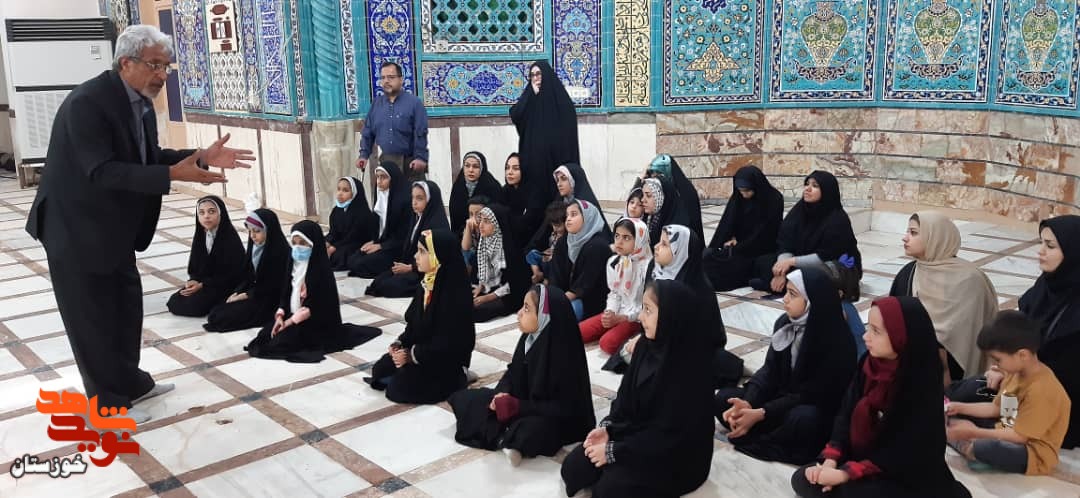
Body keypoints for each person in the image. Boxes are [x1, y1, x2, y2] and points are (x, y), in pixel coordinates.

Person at [23, 25, 254, 422]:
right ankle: (106, 404)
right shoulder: (88, 104)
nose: (162, 75)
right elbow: (103, 171)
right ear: (126, 62)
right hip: (75, 229)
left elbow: (149, 157)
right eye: (154, 65)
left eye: (166, 67)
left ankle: (131, 383)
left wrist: (200, 157)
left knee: (125, 309)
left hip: (113, 229)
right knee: (92, 319)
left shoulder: (139, 102)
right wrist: (173, 175)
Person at [791, 297, 971, 498]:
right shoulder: (869, 364)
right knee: (803, 478)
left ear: (901, 336)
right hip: (863, 459)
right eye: (868, 328)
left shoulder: (919, 380)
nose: (865, 337)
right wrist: (830, 461)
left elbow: (906, 450)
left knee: (855, 492)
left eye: (876, 331)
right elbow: (845, 414)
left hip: (904, 473)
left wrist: (844, 474)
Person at [561, 280, 714, 498]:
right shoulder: (645, 346)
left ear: (672, 315)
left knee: (609, 490)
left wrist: (615, 451)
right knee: (574, 468)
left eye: (648, 310)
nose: (641, 317)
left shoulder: (690, 368)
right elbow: (624, 399)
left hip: (673, 456)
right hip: (635, 437)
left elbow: (670, 436)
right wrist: (608, 428)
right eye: (643, 308)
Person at [716, 269, 857, 464]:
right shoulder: (785, 322)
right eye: (786, 292)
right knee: (724, 399)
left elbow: (812, 395)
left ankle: (762, 430)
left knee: (803, 420)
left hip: (812, 408)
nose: (785, 299)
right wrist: (748, 403)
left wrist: (762, 413)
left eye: (793, 294)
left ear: (812, 301)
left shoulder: (835, 340)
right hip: (780, 401)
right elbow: (769, 370)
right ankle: (753, 424)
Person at [449, 284, 595, 466]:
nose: (519, 313)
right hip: (523, 403)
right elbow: (513, 372)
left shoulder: (562, 352)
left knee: (532, 430)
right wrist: (501, 394)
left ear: (545, 316)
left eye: (527, 309)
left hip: (551, 416)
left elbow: (563, 408)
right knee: (466, 399)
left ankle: (510, 437)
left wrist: (518, 407)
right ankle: (507, 437)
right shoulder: (529, 338)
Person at [946, 311, 1070, 476]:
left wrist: (974, 432)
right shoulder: (1015, 372)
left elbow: (1020, 437)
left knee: (986, 447)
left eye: (998, 360)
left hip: (1030, 451)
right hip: (1007, 428)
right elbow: (997, 409)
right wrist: (959, 407)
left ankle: (970, 446)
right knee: (958, 415)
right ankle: (965, 442)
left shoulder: (1042, 390)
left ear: (1022, 355)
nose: (994, 365)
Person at [367, 229, 477, 404]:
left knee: (400, 387)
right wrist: (400, 343)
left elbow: (449, 342)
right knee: (381, 370)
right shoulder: (427, 283)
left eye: (422, 252)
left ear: (437, 256)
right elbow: (414, 324)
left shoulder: (454, 293)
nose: (416, 256)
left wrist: (411, 355)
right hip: (423, 351)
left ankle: (461, 375)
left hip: (444, 362)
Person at [246, 221, 381, 362]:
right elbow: (286, 292)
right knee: (265, 335)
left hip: (315, 322)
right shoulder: (293, 263)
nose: (297, 247)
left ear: (313, 244)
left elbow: (314, 306)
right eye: (294, 243)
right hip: (294, 316)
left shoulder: (320, 270)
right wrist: (280, 315)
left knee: (281, 343)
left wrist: (290, 322)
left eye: (303, 243)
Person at [890, 212, 998, 384]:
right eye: (907, 231)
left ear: (936, 237)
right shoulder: (909, 273)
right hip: (912, 368)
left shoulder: (970, 279)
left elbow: (977, 331)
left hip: (958, 370)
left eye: (913, 232)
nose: (905, 238)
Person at [754, 170, 862, 294]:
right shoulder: (799, 211)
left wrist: (790, 262)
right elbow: (785, 242)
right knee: (763, 261)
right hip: (801, 261)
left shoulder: (837, 219)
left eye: (815, 186)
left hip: (835, 266)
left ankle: (785, 284)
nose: (808, 189)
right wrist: (781, 269)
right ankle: (789, 283)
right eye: (807, 184)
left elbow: (825, 256)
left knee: (813, 275)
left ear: (827, 191)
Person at [204, 203, 290, 332]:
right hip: (255, 294)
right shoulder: (254, 248)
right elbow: (247, 276)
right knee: (216, 311)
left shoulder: (280, 252)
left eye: (257, 231)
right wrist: (237, 292)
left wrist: (245, 296)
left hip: (270, 300)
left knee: (221, 317)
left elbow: (273, 286)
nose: (252, 236)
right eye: (250, 231)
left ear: (269, 230)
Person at [510, 60, 580, 209]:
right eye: (532, 75)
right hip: (534, 167)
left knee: (556, 206)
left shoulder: (562, 102)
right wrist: (530, 94)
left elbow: (569, 134)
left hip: (556, 163)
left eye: (539, 74)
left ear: (546, 75)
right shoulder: (530, 100)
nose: (536, 78)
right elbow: (516, 115)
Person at [703, 165, 784, 291]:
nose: (744, 194)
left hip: (763, 249)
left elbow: (764, 232)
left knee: (762, 265)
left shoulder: (773, 199)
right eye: (741, 191)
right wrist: (716, 247)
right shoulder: (738, 198)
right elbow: (727, 224)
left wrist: (739, 246)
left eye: (747, 191)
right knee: (710, 257)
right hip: (740, 247)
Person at [365, 181, 449, 297]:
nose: (414, 202)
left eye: (419, 198)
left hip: (427, 272)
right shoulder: (416, 218)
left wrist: (411, 268)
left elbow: (436, 259)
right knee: (378, 281)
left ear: (430, 200)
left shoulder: (437, 223)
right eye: (413, 197)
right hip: (413, 266)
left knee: (388, 286)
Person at [579, 218, 652, 354]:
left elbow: (646, 306)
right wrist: (610, 312)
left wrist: (623, 318)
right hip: (618, 312)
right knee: (578, 332)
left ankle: (635, 338)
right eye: (617, 236)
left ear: (639, 239)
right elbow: (614, 293)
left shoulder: (648, 267)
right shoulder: (614, 262)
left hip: (636, 319)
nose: (619, 242)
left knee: (607, 344)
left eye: (626, 238)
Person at [166, 195, 246, 317]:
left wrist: (202, 285)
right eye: (202, 213)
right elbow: (195, 264)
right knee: (175, 301)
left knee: (196, 306)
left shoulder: (229, 237)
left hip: (226, 284)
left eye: (211, 212)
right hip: (206, 283)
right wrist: (193, 280)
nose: (206, 216)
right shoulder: (201, 235)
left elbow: (232, 273)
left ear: (221, 214)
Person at [356, 61, 429, 182]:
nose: (386, 81)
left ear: (401, 79)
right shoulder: (376, 105)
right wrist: (363, 155)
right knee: (386, 194)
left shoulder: (414, 103)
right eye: (383, 78)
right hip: (386, 163)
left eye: (391, 77)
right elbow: (367, 132)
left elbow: (420, 133)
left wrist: (420, 158)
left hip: (410, 164)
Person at [548, 200, 613, 321]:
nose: (568, 219)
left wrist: (560, 303)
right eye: (567, 215)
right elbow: (555, 275)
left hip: (592, 303)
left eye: (573, 214)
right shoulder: (564, 242)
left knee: (563, 314)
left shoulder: (598, 246)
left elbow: (585, 284)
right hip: (567, 297)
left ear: (587, 217)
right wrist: (553, 298)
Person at [346, 162, 412, 278]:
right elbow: (380, 228)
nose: (379, 181)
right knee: (352, 259)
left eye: (384, 177)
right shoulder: (380, 196)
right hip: (383, 244)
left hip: (397, 249)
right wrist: (374, 241)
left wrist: (381, 246)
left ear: (393, 179)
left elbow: (403, 236)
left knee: (361, 263)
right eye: (377, 177)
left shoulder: (404, 202)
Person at [472, 205, 531, 322]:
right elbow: (482, 272)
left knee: (475, 311)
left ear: (498, 224)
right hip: (490, 289)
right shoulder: (484, 242)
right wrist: (481, 286)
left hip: (509, 294)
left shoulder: (509, 249)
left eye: (486, 221)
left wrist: (487, 298)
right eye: (481, 220)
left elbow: (513, 284)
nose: (481, 225)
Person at [645, 154, 703, 242]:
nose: (655, 178)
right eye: (652, 174)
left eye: (659, 174)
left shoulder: (686, 193)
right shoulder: (659, 192)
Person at [326, 176, 377, 271]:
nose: (340, 193)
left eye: (345, 190)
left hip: (356, 243)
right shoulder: (336, 211)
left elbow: (353, 237)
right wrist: (327, 242)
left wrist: (334, 247)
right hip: (341, 243)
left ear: (355, 193)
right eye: (339, 189)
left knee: (340, 255)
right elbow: (333, 232)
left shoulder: (362, 213)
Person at [449, 151, 502, 239]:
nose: (471, 170)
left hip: (488, 237)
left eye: (475, 166)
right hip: (461, 236)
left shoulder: (492, 187)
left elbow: (497, 218)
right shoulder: (458, 186)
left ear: (482, 168)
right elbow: (455, 218)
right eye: (467, 166)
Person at [499, 152, 536, 249]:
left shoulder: (533, 193)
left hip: (529, 243)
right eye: (507, 168)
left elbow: (530, 222)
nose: (510, 172)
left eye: (515, 168)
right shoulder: (503, 192)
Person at [525, 201, 567, 284]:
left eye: (558, 226)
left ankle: (547, 280)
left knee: (551, 263)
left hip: (556, 260)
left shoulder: (566, 237)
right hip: (548, 255)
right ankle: (537, 273)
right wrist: (546, 252)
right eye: (553, 225)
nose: (555, 229)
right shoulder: (553, 233)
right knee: (532, 254)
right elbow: (550, 245)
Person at [641, 176, 685, 247]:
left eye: (648, 195)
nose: (643, 200)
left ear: (662, 197)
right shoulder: (647, 217)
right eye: (642, 195)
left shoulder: (676, 227)